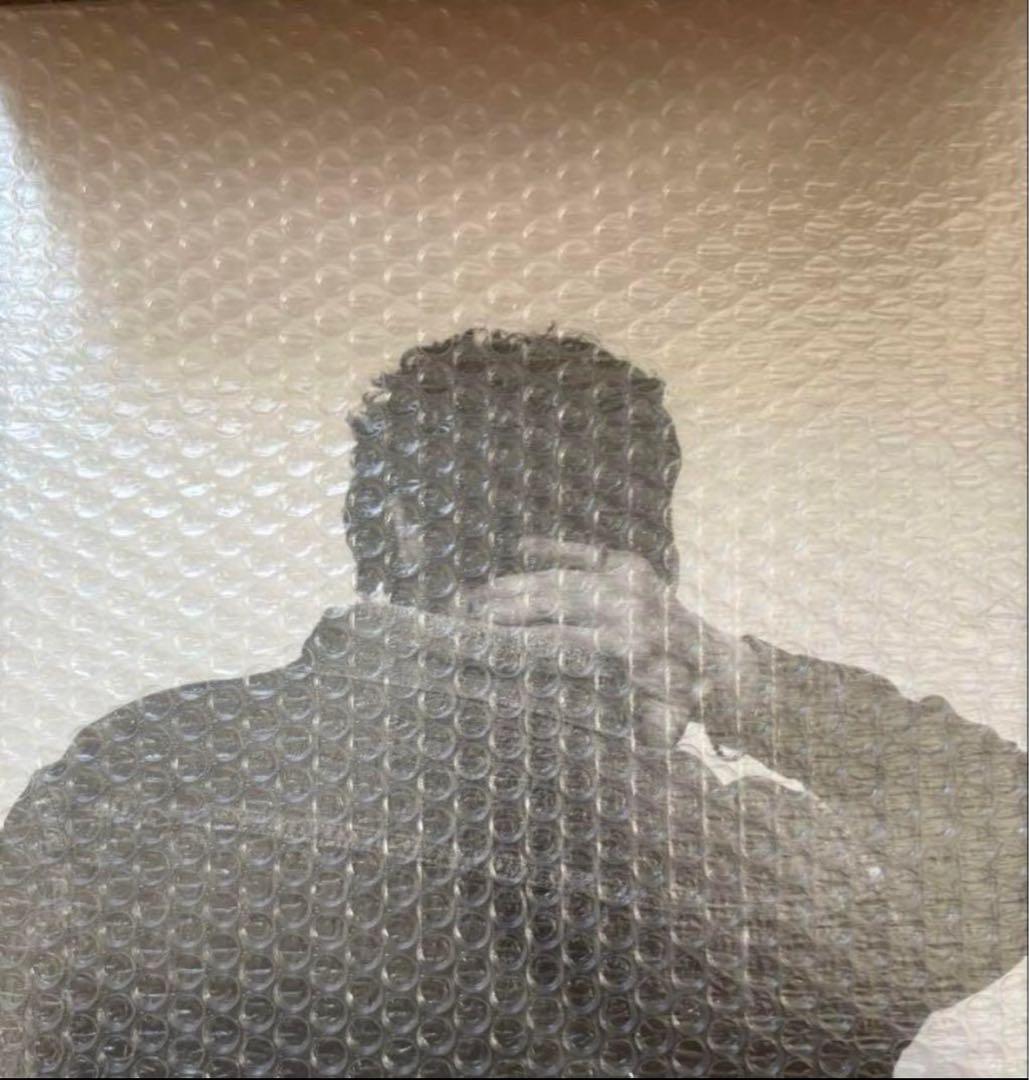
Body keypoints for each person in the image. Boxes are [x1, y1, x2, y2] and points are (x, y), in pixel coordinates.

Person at [0, 328, 1024, 1078]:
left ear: (391, 528)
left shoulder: (130, 772)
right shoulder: (768, 889)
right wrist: (727, 670)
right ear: (647, 560)